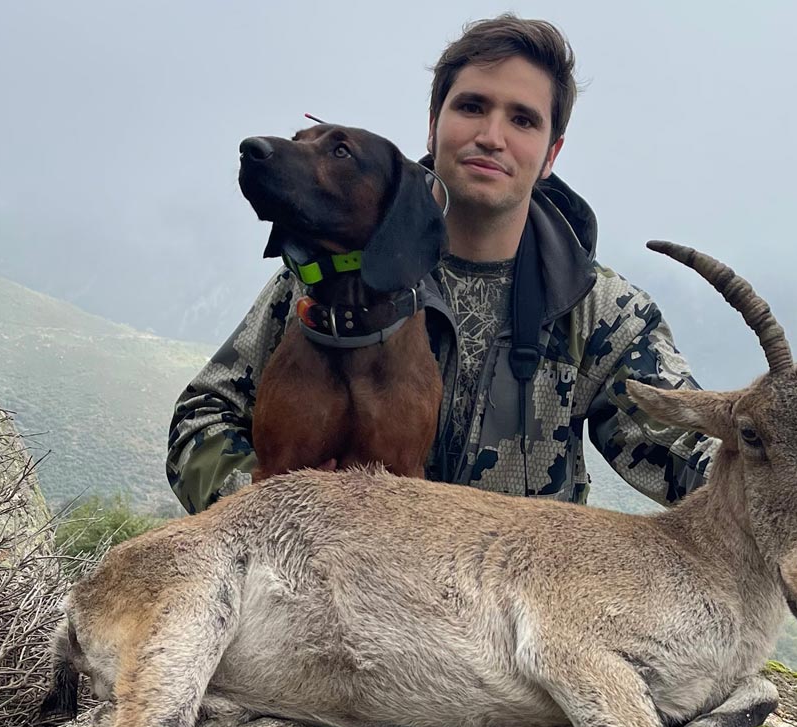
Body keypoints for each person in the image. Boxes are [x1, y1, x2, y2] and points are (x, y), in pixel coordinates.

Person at [167, 14, 716, 515]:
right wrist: (276, 507)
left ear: (551, 153)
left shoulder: (601, 312)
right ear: (433, 125)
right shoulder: (323, 283)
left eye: (523, 120)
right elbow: (200, 419)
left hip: (500, 617)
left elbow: (697, 453)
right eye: (472, 106)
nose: (491, 136)